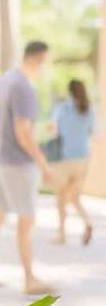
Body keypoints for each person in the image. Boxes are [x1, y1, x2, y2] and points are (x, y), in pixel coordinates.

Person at [0, 41, 55, 294]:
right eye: (46, 63)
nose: (45, 69)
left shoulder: (5, 81)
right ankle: (29, 278)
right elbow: (23, 132)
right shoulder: (23, 87)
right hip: (17, 164)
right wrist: (44, 165)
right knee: (26, 219)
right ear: (38, 59)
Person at [50, 79, 95, 245]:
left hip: (65, 159)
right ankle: (88, 223)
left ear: (69, 91)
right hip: (83, 159)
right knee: (74, 197)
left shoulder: (63, 107)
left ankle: (62, 235)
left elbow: (53, 129)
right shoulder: (88, 109)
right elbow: (92, 131)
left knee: (61, 197)